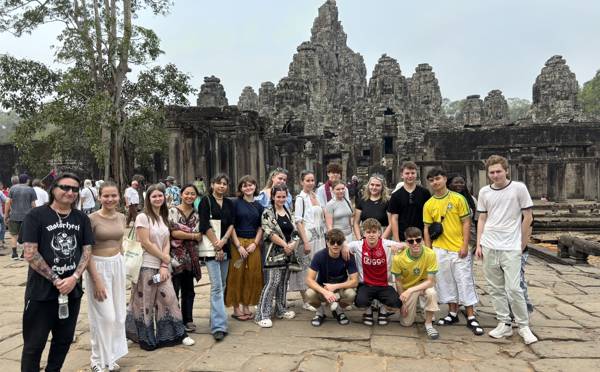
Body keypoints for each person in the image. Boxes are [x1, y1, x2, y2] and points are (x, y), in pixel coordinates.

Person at [20, 172, 93, 372]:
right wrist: (56, 279)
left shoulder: (81, 218)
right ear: (53, 189)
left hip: (72, 292)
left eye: (75, 189)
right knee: (34, 346)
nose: (70, 192)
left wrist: (74, 278)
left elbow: (87, 251)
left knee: (63, 342)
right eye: (65, 187)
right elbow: (30, 253)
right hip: (41, 293)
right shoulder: (36, 216)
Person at [475, 155, 538, 344]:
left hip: (511, 245)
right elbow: (483, 218)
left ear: (506, 170)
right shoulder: (485, 191)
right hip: (490, 243)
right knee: (495, 288)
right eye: (492, 172)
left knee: (514, 288)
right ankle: (504, 323)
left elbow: (528, 217)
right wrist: (479, 243)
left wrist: (522, 243)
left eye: (498, 171)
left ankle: (523, 325)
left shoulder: (518, 188)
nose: (495, 175)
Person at [125, 184, 194, 350]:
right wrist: (164, 257)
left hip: (161, 267)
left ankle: (177, 333)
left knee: (169, 299)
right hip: (145, 265)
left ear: (165, 197)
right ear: (148, 199)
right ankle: (143, 336)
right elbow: (145, 242)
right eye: (154, 196)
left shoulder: (163, 217)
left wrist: (164, 264)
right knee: (144, 303)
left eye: (160, 196)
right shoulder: (143, 217)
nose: (157, 199)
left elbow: (166, 243)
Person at [423, 168, 484, 336]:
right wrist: (429, 250)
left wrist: (465, 245)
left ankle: (471, 315)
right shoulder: (429, 204)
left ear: (444, 179)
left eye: (438, 178)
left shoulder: (458, 199)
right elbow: (427, 228)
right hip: (440, 248)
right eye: (432, 180)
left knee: (464, 280)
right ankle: (452, 313)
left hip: (458, 247)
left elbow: (466, 222)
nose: (435, 182)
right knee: (446, 281)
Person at [86, 181, 128, 371]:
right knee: (105, 316)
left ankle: (110, 356)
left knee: (119, 314)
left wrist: (123, 267)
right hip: (98, 266)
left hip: (117, 265)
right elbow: (85, 252)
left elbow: (120, 243)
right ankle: (97, 359)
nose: (110, 199)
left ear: (119, 197)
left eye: (114, 195)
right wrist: (96, 280)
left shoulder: (122, 217)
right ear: (99, 197)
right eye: (106, 196)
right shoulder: (91, 219)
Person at [344, 218, 403, 326]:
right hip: (366, 285)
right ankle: (368, 312)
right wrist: (346, 248)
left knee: (396, 303)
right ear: (363, 233)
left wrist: (398, 248)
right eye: (368, 232)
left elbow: (405, 246)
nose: (371, 235)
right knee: (360, 302)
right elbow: (343, 246)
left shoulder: (386, 244)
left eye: (374, 232)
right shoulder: (357, 245)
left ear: (379, 233)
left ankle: (383, 310)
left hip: (384, 285)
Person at [198, 174, 235, 341]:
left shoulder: (228, 203)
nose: (221, 186)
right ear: (212, 185)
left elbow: (231, 223)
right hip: (211, 248)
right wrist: (216, 245)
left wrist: (224, 242)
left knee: (223, 284)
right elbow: (204, 224)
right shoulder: (205, 201)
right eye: (218, 183)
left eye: (224, 184)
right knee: (217, 287)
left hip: (225, 246)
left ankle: (215, 317)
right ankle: (219, 326)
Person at [255, 184, 297, 328]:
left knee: (283, 283)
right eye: (278, 196)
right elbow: (269, 233)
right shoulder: (268, 212)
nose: (281, 199)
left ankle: (281, 309)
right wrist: (285, 245)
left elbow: (293, 231)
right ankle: (262, 314)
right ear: (272, 197)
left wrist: (292, 244)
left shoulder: (288, 210)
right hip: (272, 254)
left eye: (283, 196)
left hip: (287, 254)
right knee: (272, 282)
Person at [391, 227, 440, 339]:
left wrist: (410, 290)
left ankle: (429, 324)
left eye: (418, 240)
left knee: (432, 293)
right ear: (406, 243)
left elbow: (431, 281)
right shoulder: (398, 258)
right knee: (406, 323)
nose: (415, 243)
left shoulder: (430, 254)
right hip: (408, 287)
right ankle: (417, 308)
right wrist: (402, 303)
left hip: (423, 285)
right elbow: (398, 282)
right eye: (411, 241)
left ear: (422, 240)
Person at [227, 175, 264, 321]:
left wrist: (255, 243)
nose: (248, 188)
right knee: (237, 275)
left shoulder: (259, 206)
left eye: (251, 185)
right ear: (240, 188)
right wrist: (238, 245)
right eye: (244, 186)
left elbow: (261, 227)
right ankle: (236, 308)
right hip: (238, 242)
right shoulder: (235, 204)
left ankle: (246, 305)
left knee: (253, 275)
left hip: (253, 244)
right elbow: (232, 226)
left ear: (255, 186)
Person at [305, 228, 358, 326]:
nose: (335, 245)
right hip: (323, 289)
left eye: (339, 242)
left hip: (340, 290)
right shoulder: (319, 256)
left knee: (351, 294)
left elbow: (355, 281)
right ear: (327, 243)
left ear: (342, 243)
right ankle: (320, 312)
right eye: (332, 242)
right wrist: (325, 292)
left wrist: (335, 287)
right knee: (309, 294)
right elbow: (309, 280)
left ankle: (339, 311)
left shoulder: (348, 256)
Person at [290, 170, 326, 311]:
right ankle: (306, 300)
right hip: (308, 237)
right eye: (307, 180)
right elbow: (298, 221)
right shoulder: (301, 198)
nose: (310, 183)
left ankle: (316, 296)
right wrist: (305, 241)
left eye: (312, 180)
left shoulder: (316, 196)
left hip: (320, 236)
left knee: (317, 267)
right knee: (305, 268)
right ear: (301, 182)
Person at [168, 184, 202, 332]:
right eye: (187, 193)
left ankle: (188, 319)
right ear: (181, 194)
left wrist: (190, 235)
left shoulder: (197, 214)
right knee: (174, 290)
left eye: (193, 194)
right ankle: (174, 320)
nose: (189, 196)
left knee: (189, 290)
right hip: (175, 257)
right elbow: (174, 232)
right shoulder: (172, 211)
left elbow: (201, 233)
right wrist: (193, 235)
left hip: (191, 257)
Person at [388, 161, 431, 242]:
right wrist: (397, 241)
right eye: (407, 173)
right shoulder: (396, 195)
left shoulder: (425, 193)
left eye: (413, 173)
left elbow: (428, 216)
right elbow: (394, 219)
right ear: (402, 175)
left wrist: (427, 239)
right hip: (403, 238)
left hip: (421, 238)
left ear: (416, 174)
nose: (410, 176)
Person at [5, 173, 37, 260]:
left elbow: (7, 202)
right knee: (26, 235)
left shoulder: (12, 188)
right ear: (27, 180)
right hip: (27, 217)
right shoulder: (31, 189)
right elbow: (33, 204)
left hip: (14, 216)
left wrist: (6, 215)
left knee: (13, 235)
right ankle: (23, 254)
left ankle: (14, 254)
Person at [353, 174, 392, 240]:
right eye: (372, 184)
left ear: (382, 187)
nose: (374, 187)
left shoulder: (388, 201)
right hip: (365, 237)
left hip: (382, 236)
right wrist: (359, 239)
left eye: (377, 185)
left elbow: (391, 224)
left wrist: (381, 240)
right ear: (368, 185)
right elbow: (356, 223)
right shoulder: (362, 200)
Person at [447, 174, 478, 248]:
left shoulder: (472, 200)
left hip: (470, 238)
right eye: (456, 182)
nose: (459, 185)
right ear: (449, 184)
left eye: (461, 182)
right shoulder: (445, 199)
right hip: (450, 239)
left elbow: (476, 219)